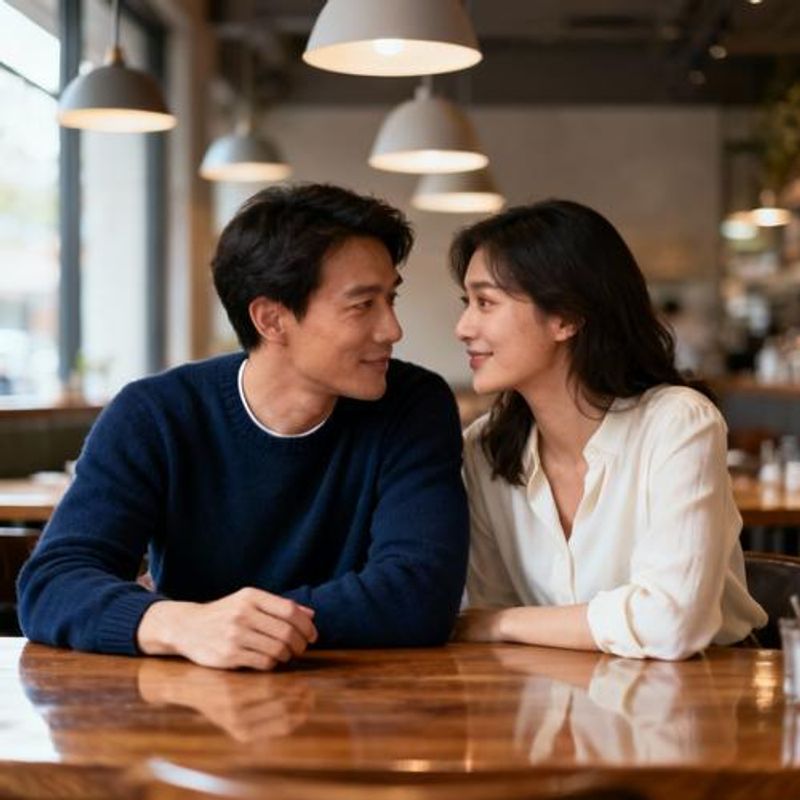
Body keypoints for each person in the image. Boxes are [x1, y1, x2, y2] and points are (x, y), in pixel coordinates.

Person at [18, 183, 469, 670]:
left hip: (363, 711)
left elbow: (419, 594)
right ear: (271, 319)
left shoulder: (412, 405)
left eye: (390, 299)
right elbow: (53, 583)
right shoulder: (157, 414)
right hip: (184, 707)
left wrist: (239, 624)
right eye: (363, 305)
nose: (392, 330)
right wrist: (182, 625)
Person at [450, 199, 766, 661]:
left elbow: (672, 623)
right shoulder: (484, 449)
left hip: (705, 696)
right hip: (555, 699)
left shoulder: (678, 423)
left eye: (485, 302)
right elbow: (488, 609)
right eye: (467, 303)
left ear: (567, 317)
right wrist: (498, 622)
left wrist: (501, 624)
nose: (463, 326)